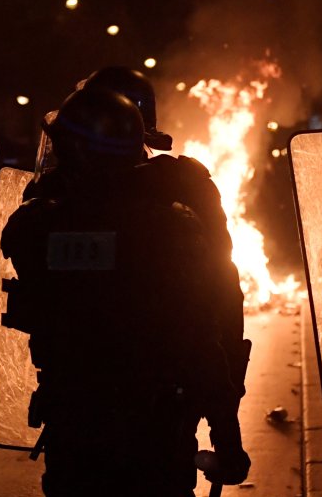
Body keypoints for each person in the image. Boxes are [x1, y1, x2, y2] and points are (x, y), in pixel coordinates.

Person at [1, 88, 249, 497]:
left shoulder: (36, 226)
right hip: (155, 431)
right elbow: (201, 341)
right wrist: (226, 437)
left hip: (76, 429)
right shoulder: (172, 229)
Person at [26, 66, 250, 397]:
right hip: (141, 390)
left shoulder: (48, 205)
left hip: (86, 391)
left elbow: (216, 289)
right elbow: (220, 292)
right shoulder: (51, 202)